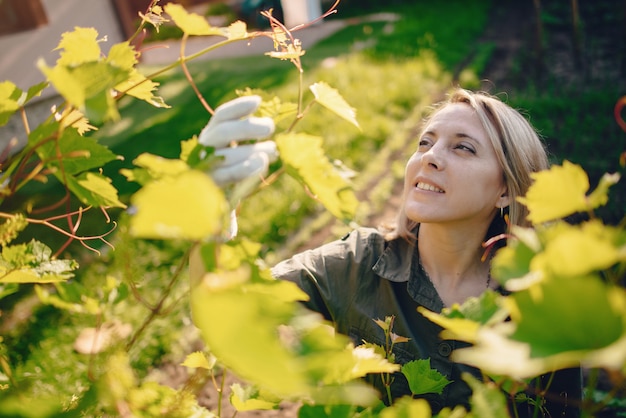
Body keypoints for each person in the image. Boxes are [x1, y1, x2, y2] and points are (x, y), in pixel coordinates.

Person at [200, 88, 582, 416]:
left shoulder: (545, 302)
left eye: (463, 148)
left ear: (505, 191)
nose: (429, 157)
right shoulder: (357, 263)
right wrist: (210, 224)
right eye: (425, 142)